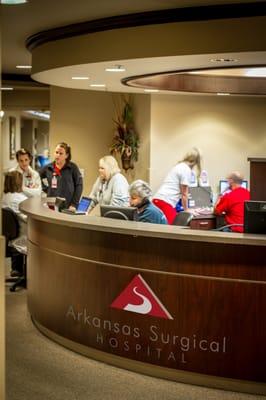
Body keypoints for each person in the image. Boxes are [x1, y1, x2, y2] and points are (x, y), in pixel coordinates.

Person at [152, 148, 202, 224]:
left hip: (158, 199)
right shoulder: (186, 169)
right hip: (165, 201)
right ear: (196, 161)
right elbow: (184, 194)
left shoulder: (179, 166)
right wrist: (187, 210)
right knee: (173, 230)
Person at [40, 142, 83, 210]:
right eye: (56, 152)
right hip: (51, 204)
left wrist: (74, 204)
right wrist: (46, 189)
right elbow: (37, 177)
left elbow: (79, 185)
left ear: (66, 155)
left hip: (68, 205)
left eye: (61, 153)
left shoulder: (72, 167)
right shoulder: (48, 168)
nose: (58, 155)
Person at [2, 171, 27, 276]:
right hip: (20, 237)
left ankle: (16, 269)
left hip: (6, 237)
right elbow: (28, 219)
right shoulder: (21, 199)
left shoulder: (4, 197)